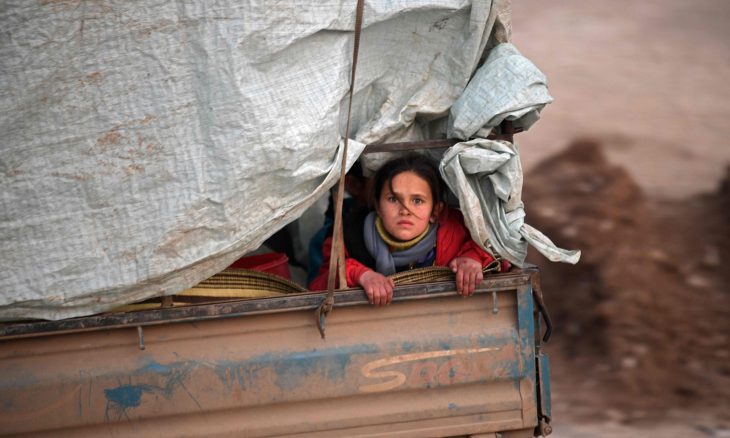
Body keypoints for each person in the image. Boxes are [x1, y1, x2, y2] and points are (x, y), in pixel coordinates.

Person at [309, 154, 508, 305]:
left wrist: (473, 259)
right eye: (393, 199)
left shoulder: (460, 231)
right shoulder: (347, 237)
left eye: (417, 201)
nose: (405, 210)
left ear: (435, 211)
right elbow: (317, 287)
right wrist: (359, 274)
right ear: (377, 206)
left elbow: (501, 253)